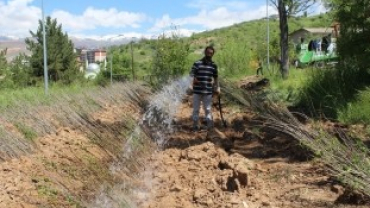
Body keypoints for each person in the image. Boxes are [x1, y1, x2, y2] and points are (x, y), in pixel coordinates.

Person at [188, 46, 220, 132]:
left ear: (212, 54)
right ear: (205, 53)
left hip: (208, 92)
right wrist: (192, 82)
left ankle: (209, 127)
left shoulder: (213, 65)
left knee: (208, 109)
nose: (209, 54)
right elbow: (191, 75)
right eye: (208, 52)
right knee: (196, 109)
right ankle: (195, 126)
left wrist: (217, 88)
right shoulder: (197, 63)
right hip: (197, 91)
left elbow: (216, 78)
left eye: (211, 53)